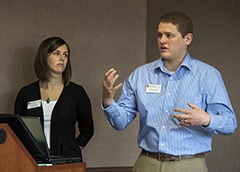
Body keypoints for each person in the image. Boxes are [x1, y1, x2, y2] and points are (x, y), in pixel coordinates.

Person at [102, 12, 237, 172]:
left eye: (169, 35)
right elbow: (121, 123)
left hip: (189, 164)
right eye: (159, 35)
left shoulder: (208, 75)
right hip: (147, 163)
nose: (162, 41)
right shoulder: (140, 75)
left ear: (187, 39)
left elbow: (230, 124)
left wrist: (206, 119)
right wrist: (108, 101)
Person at [14, 37, 94, 161]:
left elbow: (88, 129)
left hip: (67, 162)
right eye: (57, 54)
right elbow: (17, 130)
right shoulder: (26, 93)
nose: (62, 59)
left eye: (65, 55)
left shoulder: (76, 92)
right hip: (33, 161)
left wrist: (74, 147)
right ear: (44, 57)